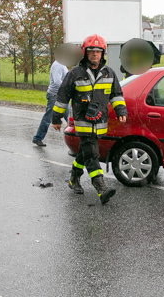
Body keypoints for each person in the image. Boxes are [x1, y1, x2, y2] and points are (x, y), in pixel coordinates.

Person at [51, 34, 127, 205]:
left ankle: (74, 179)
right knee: (92, 155)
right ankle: (101, 188)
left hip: (100, 123)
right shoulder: (75, 73)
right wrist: (56, 118)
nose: (95, 54)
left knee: (85, 153)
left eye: (98, 52)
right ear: (85, 53)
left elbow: (116, 95)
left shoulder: (109, 73)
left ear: (102, 54)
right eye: (91, 51)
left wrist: (120, 110)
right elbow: (62, 97)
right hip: (83, 123)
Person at [32, 59, 69, 147]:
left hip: (61, 95)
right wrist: (67, 88)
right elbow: (57, 82)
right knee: (48, 117)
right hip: (55, 95)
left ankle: (78, 140)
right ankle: (38, 138)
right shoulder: (58, 65)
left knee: (70, 118)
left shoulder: (62, 64)